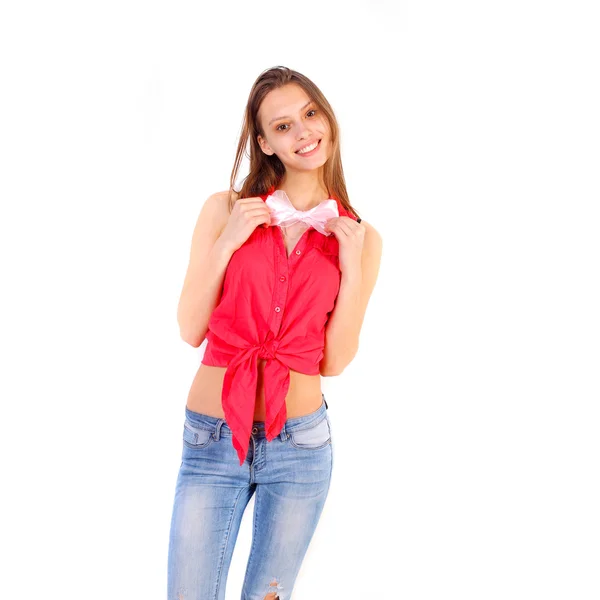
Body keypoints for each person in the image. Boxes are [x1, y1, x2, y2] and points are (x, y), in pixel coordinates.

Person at [167, 65, 382, 600]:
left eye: (310, 114)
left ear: (328, 119)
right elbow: (190, 327)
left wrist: (352, 268)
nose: (303, 132)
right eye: (283, 126)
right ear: (264, 143)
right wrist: (226, 243)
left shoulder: (361, 237)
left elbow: (333, 361)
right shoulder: (224, 210)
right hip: (212, 439)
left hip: (301, 446)